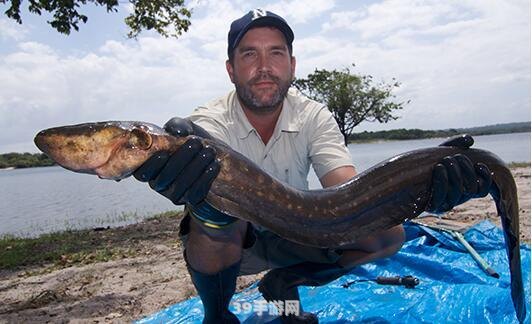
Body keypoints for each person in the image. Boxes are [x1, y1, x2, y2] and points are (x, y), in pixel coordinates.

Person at [134, 9, 492, 324]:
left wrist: (421, 188)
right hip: (235, 241)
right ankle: (218, 315)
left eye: (276, 53)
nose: (264, 67)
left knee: (389, 235)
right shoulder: (207, 122)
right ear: (231, 69)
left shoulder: (313, 115)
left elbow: (349, 192)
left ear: (292, 65)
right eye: (249, 55)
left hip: (298, 228)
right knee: (214, 224)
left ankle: (286, 283)